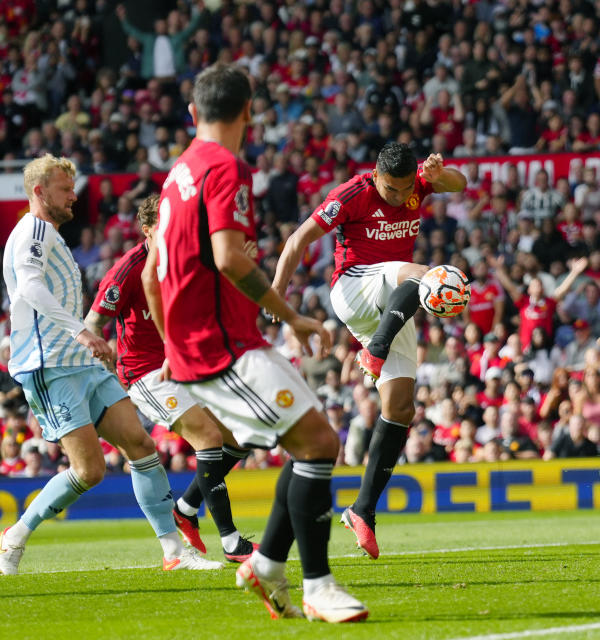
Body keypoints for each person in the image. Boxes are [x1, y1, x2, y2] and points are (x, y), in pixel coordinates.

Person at [144, 64, 366, 622]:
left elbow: (151, 275)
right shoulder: (226, 167)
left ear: (193, 114)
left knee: (309, 438)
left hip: (202, 345)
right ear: (248, 111)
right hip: (222, 346)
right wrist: (291, 315)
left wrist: (171, 346)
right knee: (318, 443)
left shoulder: (177, 174)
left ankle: (267, 565)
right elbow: (228, 257)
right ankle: (316, 586)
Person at [0, 154, 220, 575]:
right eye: (65, 189)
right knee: (89, 470)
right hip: (49, 365)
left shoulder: (48, 232)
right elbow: (28, 286)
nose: (73, 196)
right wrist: (82, 331)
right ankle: (14, 537)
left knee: (140, 446)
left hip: (78, 361)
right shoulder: (31, 229)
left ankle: (174, 551)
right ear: (39, 191)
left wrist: (82, 343)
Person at [270, 142, 466, 560]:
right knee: (427, 274)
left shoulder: (417, 184)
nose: (397, 197)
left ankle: (362, 511)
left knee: (399, 409)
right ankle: (374, 352)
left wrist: (437, 175)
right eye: (389, 189)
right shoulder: (351, 195)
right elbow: (297, 240)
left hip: (394, 301)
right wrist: (276, 296)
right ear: (375, 174)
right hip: (355, 288)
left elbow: (458, 184)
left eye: (403, 189)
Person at [84, 194, 255, 563]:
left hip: (187, 363)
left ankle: (186, 508)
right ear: (148, 231)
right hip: (145, 371)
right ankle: (231, 541)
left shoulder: (188, 256)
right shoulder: (128, 270)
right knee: (208, 438)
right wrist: (97, 347)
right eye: (168, 226)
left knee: (243, 436)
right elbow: (93, 320)